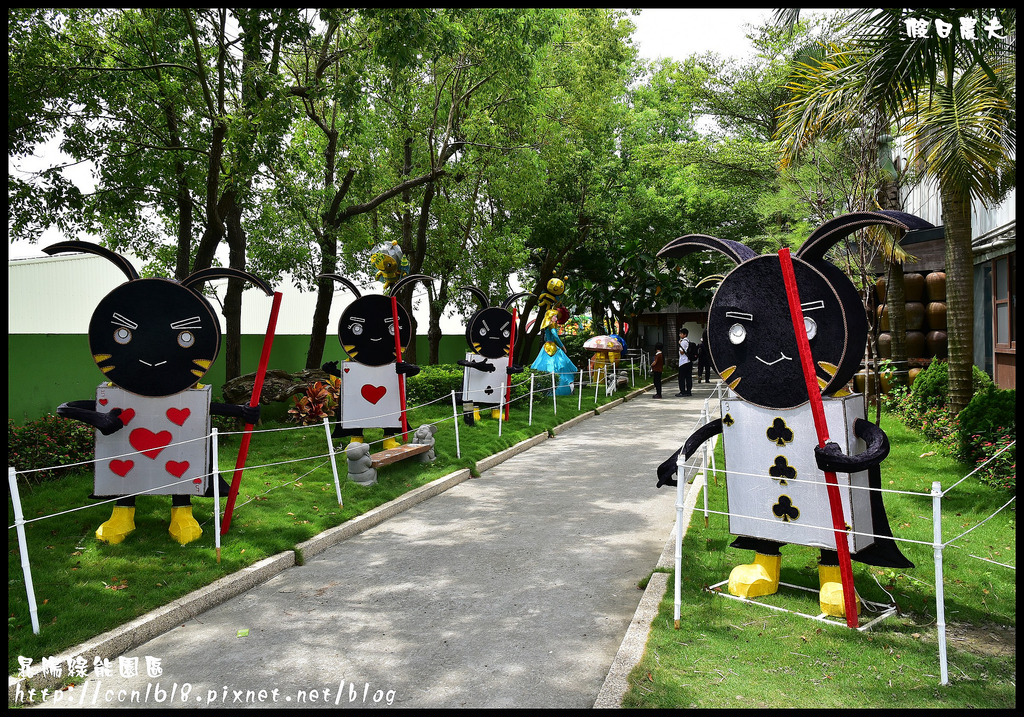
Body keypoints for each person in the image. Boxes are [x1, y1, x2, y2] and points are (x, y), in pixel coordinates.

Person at [676, 328, 692, 397]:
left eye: (681, 333)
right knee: (688, 377)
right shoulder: (688, 341)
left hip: (683, 362)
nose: (680, 335)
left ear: (684, 334)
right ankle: (688, 391)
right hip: (689, 361)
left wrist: (680, 344)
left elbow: (682, 352)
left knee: (681, 378)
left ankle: (682, 391)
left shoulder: (683, 342)